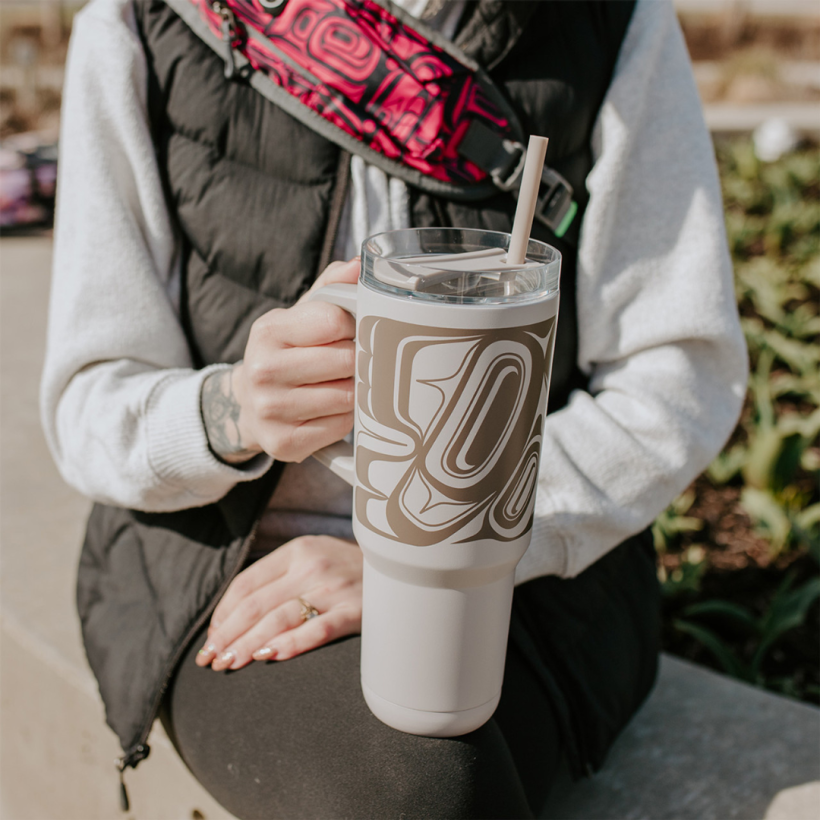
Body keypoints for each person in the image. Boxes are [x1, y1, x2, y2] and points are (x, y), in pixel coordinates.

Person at [41, 0, 748, 817]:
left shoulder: (611, 21)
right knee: (412, 794)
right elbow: (87, 401)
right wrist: (231, 410)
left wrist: (442, 543)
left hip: (527, 574)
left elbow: (677, 374)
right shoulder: (141, 22)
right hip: (242, 574)